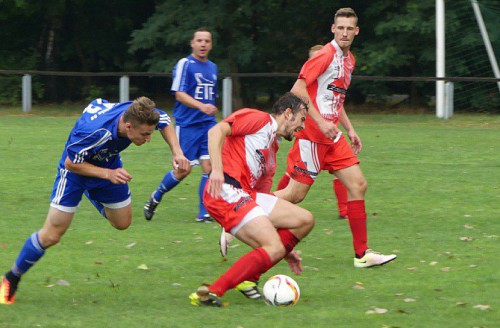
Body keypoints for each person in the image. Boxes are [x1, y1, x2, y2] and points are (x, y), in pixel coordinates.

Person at [0, 97, 190, 305]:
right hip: (75, 172)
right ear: (128, 126)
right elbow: (71, 163)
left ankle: (93, 192)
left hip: (107, 163)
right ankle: (12, 276)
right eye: (145, 134)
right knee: (52, 235)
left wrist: (177, 153)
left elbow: (164, 119)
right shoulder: (96, 132)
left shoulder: (137, 113)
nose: (148, 139)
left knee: (122, 223)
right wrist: (108, 175)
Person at [274, 8, 397, 268]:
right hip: (313, 135)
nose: (344, 32)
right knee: (295, 195)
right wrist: (320, 122)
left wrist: (350, 129)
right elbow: (297, 89)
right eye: (340, 28)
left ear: (356, 31)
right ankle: (242, 211)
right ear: (333, 29)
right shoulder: (325, 55)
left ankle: (362, 255)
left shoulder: (349, 59)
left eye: (349, 28)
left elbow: (335, 100)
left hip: (333, 137)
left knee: (358, 185)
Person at [189, 92, 314, 307]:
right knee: (273, 246)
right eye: (301, 119)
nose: (301, 127)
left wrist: (287, 250)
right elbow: (215, 131)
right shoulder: (258, 119)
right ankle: (209, 293)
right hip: (225, 190)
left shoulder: (272, 151)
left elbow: (263, 202)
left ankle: (249, 278)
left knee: (304, 220)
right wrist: (217, 170)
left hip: (246, 195)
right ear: (287, 113)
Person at [144, 28, 218, 223]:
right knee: (183, 170)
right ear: (192, 43)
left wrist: (209, 109)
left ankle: (204, 213)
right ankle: (156, 196)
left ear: (211, 45)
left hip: (208, 124)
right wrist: (202, 106)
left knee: (209, 165)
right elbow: (179, 93)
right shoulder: (185, 64)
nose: (203, 44)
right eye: (199, 40)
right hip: (188, 125)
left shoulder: (213, 68)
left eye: (207, 41)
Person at [277, 44, 349, 220]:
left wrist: (349, 129)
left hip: (328, 136)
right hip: (309, 136)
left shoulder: (328, 83)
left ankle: (345, 212)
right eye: (314, 59)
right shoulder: (305, 86)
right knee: (293, 183)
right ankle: (268, 206)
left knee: (345, 174)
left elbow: (339, 107)